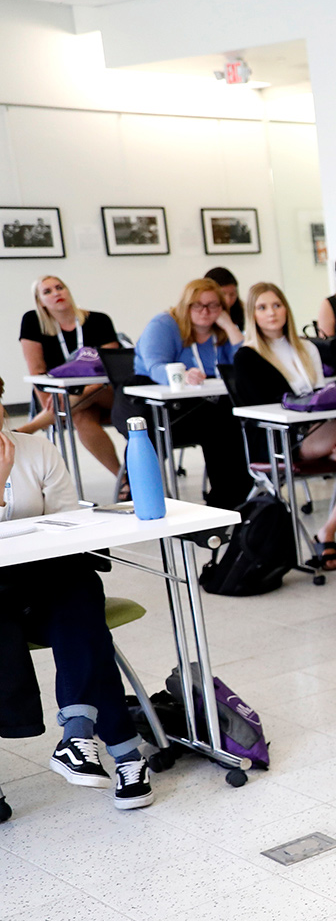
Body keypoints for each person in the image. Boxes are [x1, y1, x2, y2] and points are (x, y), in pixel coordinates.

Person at [0, 388, 156, 811]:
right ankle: (126, 752)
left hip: (45, 586)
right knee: (86, 628)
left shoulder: (38, 449)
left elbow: (72, 528)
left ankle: (78, 733)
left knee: (77, 587)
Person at [232, 282, 336, 570]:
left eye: (277, 305)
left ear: (287, 309)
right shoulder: (247, 355)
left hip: (322, 432)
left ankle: (327, 532)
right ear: (252, 315)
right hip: (281, 440)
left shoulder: (307, 348)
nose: (272, 313)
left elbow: (321, 397)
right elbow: (264, 409)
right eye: (263, 307)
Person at [132, 278, 253, 511]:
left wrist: (230, 327)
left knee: (232, 421)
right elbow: (155, 366)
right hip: (156, 405)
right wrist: (182, 376)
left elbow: (243, 365)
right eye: (197, 305)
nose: (205, 311)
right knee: (221, 423)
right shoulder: (164, 325)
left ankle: (234, 498)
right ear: (185, 306)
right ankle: (225, 498)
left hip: (208, 404)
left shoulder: (222, 331)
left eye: (213, 305)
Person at [16, 275, 124, 481]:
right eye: (47, 292)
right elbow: (37, 370)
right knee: (81, 417)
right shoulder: (32, 322)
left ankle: (27, 429)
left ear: (68, 291)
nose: (56, 293)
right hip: (70, 402)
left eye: (59, 287)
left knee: (95, 386)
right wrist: (48, 401)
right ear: (40, 302)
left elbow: (108, 368)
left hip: (105, 393)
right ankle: (123, 478)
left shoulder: (98, 320)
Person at [204, 265, 246, 330]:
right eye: (222, 294)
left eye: (232, 294)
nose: (228, 300)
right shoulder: (199, 315)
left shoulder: (244, 313)